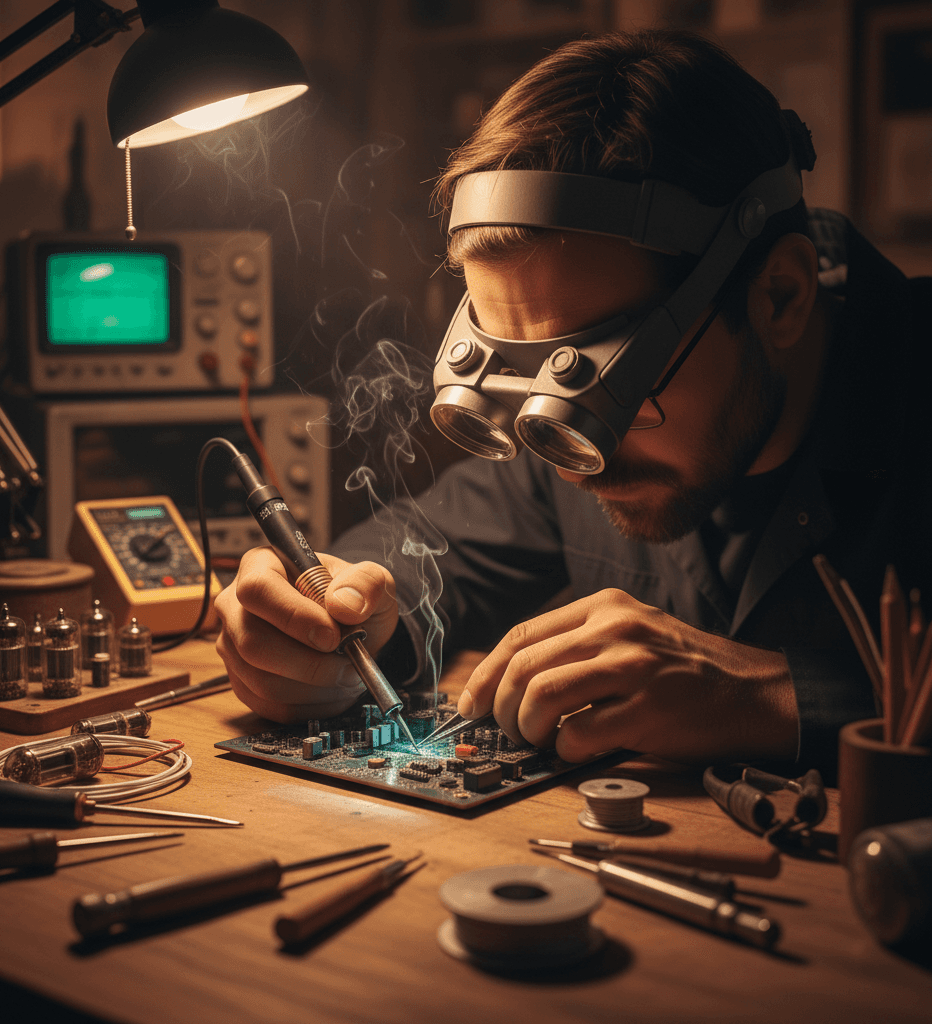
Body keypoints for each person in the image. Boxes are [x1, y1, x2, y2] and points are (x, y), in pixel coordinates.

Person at [215, 30, 930, 775]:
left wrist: (773, 696)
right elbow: (425, 554)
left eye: (607, 386)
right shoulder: (564, 446)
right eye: (528, 386)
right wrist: (329, 621)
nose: (571, 462)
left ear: (778, 296)